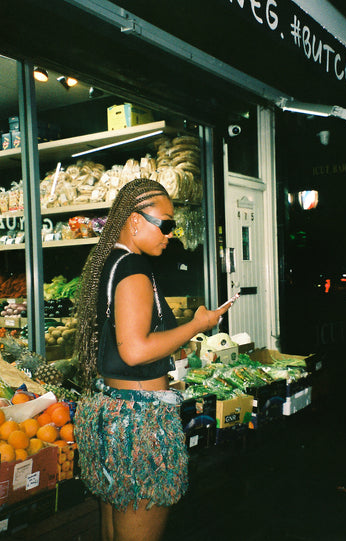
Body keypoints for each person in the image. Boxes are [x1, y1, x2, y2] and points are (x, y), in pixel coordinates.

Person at [73, 178, 233, 541]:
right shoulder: (133, 270)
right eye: (165, 223)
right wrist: (198, 324)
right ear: (134, 221)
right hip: (141, 422)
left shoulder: (109, 263)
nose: (170, 234)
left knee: (114, 529)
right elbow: (135, 350)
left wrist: (173, 340)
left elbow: (127, 343)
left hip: (114, 414)